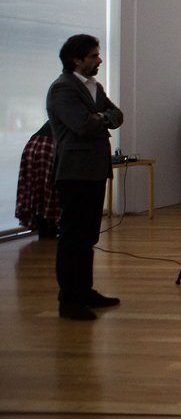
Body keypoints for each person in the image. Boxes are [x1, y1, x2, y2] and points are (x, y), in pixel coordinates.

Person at [46, 34, 124, 320]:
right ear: (76, 60)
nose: (99, 60)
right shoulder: (63, 88)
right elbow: (82, 125)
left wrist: (101, 117)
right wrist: (103, 118)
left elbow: (118, 115)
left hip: (94, 170)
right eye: (93, 56)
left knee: (88, 235)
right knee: (73, 237)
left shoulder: (94, 87)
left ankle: (85, 290)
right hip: (75, 171)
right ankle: (69, 300)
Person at [15, 121, 61, 239]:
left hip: (33, 144)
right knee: (52, 189)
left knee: (36, 190)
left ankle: (44, 231)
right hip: (49, 145)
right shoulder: (77, 114)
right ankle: (51, 230)